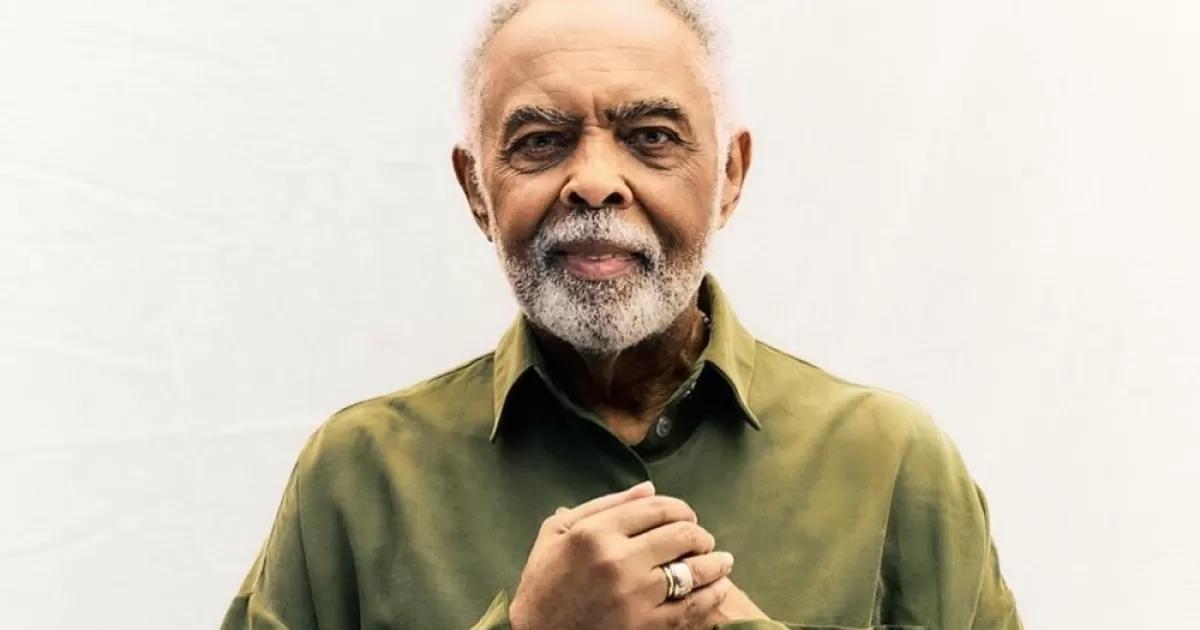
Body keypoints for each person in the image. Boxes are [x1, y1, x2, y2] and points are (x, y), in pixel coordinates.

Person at [221, 0, 1022, 628]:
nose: (595, 182)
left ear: (730, 176)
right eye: (541, 141)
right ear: (476, 190)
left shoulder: (893, 465)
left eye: (651, 136)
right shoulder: (355, 478)